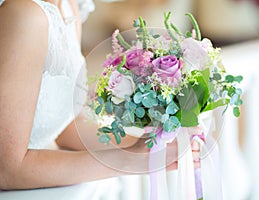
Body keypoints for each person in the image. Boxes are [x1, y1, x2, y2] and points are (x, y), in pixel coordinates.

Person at [0, 0, 200, 190]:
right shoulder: (24, 14)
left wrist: (151, 145)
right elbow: (6, 171)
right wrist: (128, 160)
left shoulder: (68, 7)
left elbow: (66, 126)